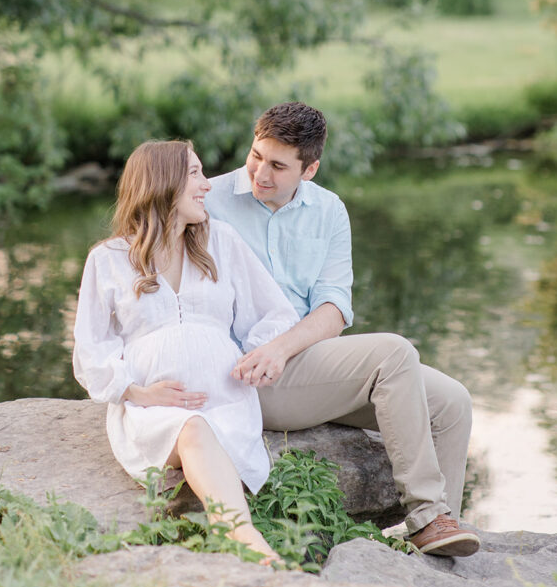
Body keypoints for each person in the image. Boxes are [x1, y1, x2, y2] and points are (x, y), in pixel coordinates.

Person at [206, 101, 481, 558]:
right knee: (392, 353)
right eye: (256, 156)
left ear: (309, 169)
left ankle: (437, 535)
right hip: (247, 375)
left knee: (452, 403)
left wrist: (283, 346)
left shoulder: (329, 210)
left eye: (278, 165)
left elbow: (334, 308)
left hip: (304, 363)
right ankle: (426, 515)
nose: (259, 173)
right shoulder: (208, 201)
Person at [73, 139, 299, 564]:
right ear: (164, 183)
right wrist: (136, 393)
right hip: (153, 414)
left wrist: (257, 356)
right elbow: (90, 350)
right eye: (194, 173)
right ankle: (244, 539)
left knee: (204, 426)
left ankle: (239, 538)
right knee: (192, 428)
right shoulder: (109, 259)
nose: (206, 185)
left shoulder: (221, 242)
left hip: (227, 401)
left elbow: (275, 312)